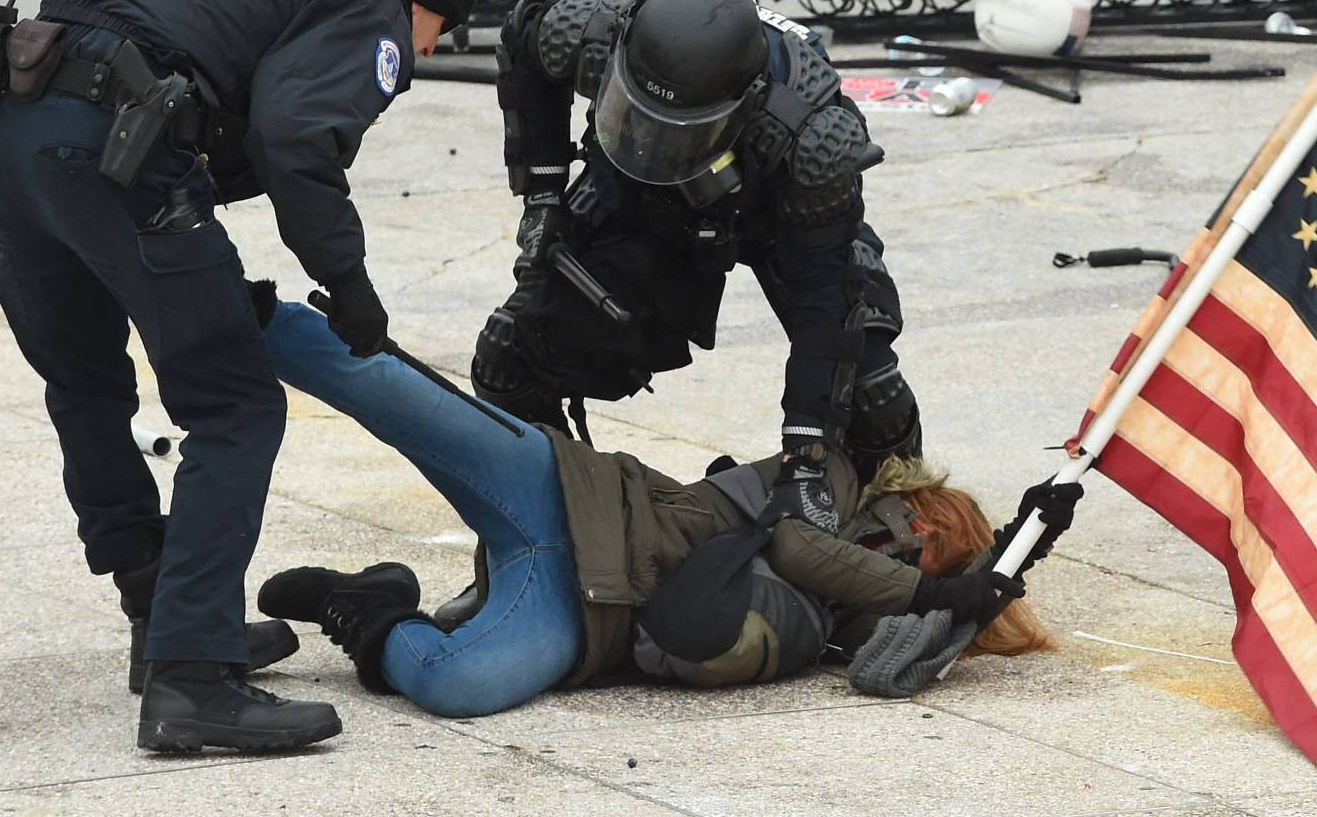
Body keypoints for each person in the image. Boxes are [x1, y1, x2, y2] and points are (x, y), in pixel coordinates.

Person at [0, 0, 481, 748]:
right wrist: (349, 283)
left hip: (4, 137)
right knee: (234, 405)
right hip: (106, 144)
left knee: (84, 386)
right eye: (438, 34)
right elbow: (294, 134)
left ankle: (161, 610)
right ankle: (192, 678)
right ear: (428, 4)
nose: (427, 52)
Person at [250, 300, 1052, 717]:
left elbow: (892, 645)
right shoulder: (829, 475)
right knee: (392, 393)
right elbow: (802, 548)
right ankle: (236, 306)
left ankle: (361, 606)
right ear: (916, 516)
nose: (909, 555)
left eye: (925, 562)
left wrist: (970, 598)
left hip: (581, 614)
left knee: (453, 683)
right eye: (920, 543)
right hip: (573, 496)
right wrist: (931, 591)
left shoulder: (831, 628)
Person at [472, 0, 921, 535]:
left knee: (874, 398)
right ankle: (546, 543)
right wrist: (541, 193)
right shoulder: (594, 30)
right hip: (635, 187)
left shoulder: (813, 138)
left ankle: (903, 549)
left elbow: (824, 301)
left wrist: (806, 452)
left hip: (777, 205)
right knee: (507, 361)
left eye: (678, 130)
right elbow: (525, 45)